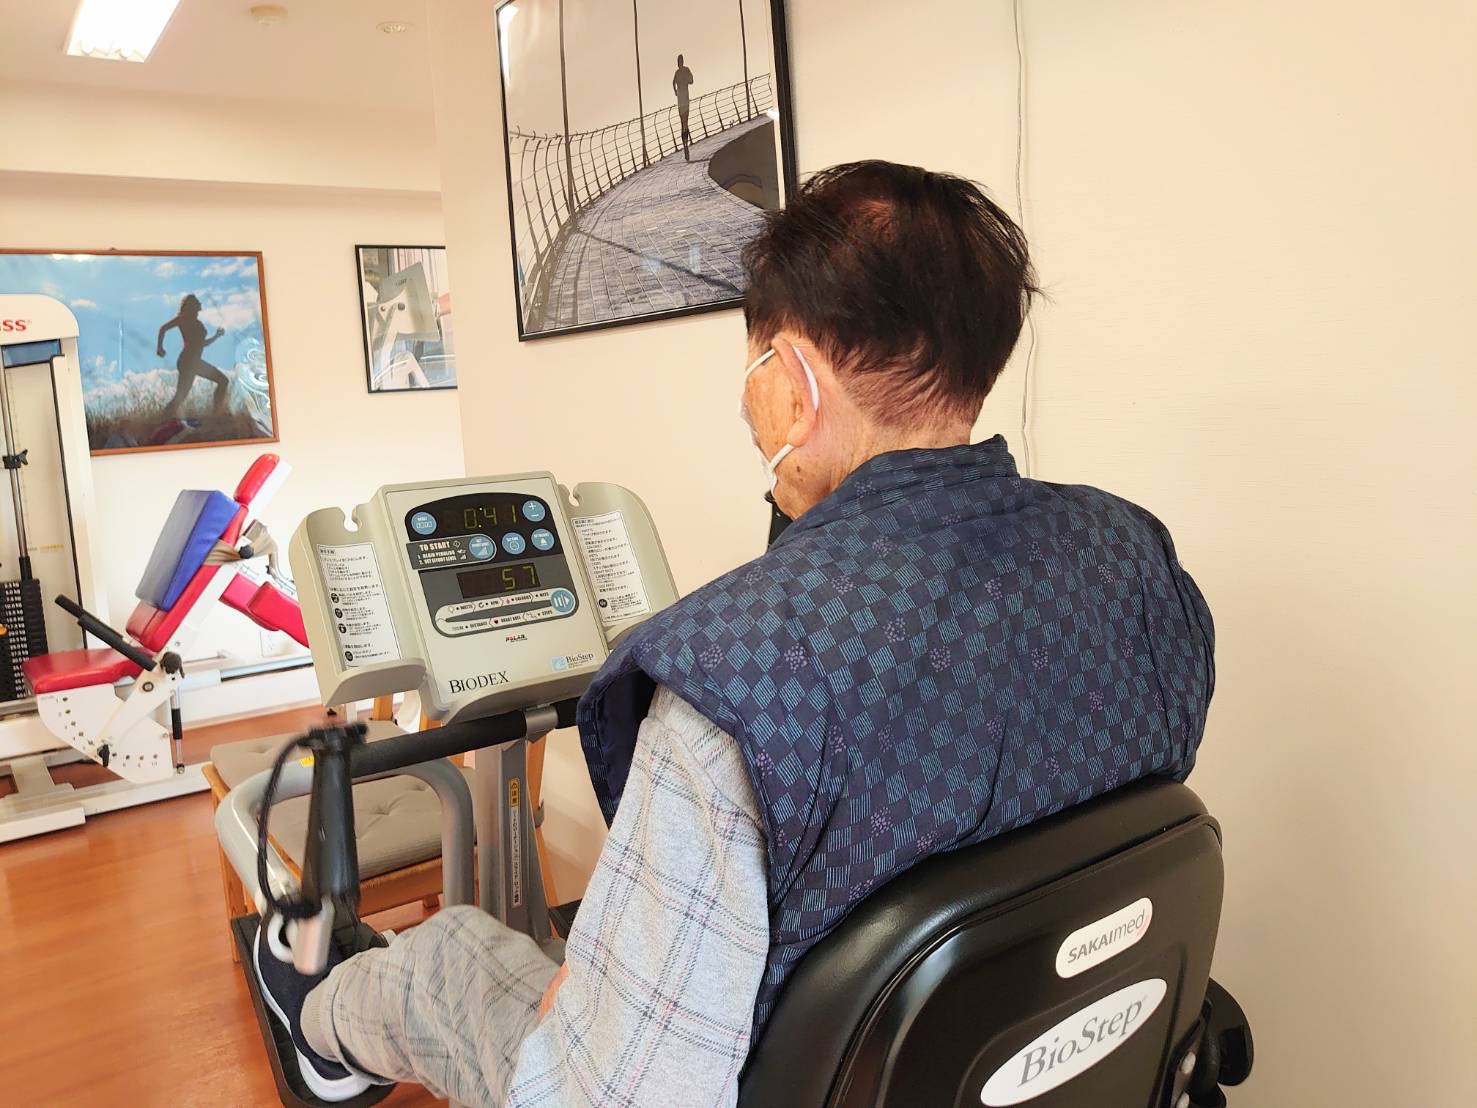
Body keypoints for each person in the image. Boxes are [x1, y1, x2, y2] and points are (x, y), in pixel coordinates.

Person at [254, 160, 1215, 1106]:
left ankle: (319, 1029)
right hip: (1012, 1058)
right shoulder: (1134, 559)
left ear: (790, 380)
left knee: (448, 953)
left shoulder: (738, 678)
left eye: (756, 370)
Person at [157, 294, 230, 417]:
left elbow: (203, 344)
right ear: (191, 306)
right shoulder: (183, 319)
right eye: (196, 303)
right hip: (187, 361)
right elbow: (163, 328)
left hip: (194, 362)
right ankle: (216, 414)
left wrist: (216, 336)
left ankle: (216, 414)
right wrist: (159, 347)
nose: (199, 305)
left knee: (181, 396)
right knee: (223, 381)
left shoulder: (198, 323)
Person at [673, 54, 694, 160]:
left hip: (682, 101)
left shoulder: (679, 72)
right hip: (684, 101)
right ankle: (686, 144)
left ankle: (685, 144)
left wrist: (676, 92)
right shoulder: (684, 71)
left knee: (683, 123)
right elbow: (691, 81)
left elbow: (673, 83)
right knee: (685, 123)